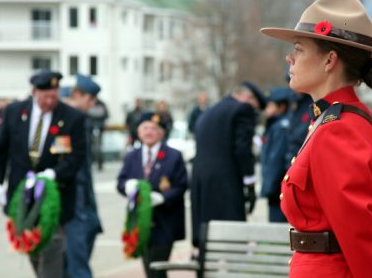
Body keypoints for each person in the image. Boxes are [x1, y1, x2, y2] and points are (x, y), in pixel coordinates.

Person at [261, 0, 372, 277]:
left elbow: (361, 231)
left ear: (329, 61)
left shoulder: (338, 129)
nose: (290, 58)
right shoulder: (338, 118)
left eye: (298, 48)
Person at [0, 70, 86, 278]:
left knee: (51, 249)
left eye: (54, 96)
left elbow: (76, 157)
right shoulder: (15, 112)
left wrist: (53, 174)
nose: (50, 101)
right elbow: (0, 152)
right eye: (45, 97)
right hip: (22, 196)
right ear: (34, 92)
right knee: (32, 249)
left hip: (55, 196)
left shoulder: (72, 118)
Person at [190, 82, 265, 247]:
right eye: (255, 107)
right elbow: (242, 149)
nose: (254, 112)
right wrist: (250, 182)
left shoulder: (208, 112)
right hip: (226, 185)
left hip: (201, 183)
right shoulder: (242, 110)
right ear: (248, 97)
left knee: (207, 240)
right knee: (231, 243)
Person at [116, 112, 188, 278]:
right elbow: (121, 182)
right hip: (141, 224)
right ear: (139, 132)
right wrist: (127, 186)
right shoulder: (132, 156)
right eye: (145, 128)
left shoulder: (172, 156)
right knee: (149, 269)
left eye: (154, 129)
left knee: (157, 270)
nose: (149, 132)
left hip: (165, 223)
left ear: (161, 133)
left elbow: (181, 185)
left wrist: (163, 197)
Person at [64, 74, 103, 278]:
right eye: (90, 99)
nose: (93, 104)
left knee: (91, 230)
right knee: (75, 262)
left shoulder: (82, 120)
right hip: (71, 195)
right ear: (78, 95)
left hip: (84, 193)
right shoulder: (64, 118)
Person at [260, 86, 291, 222]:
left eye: (270, 105)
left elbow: (275, 160)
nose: (266, 109)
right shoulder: (275, 125)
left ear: (281, 107)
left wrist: (269, 188)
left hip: (277, 191)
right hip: (276, 189)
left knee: (277, 225)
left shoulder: (280, 128)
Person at [88, 97, 109, 170]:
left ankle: (99, 163)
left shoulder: (101, 104)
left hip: (99, 128)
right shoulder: (90, 103)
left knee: (98, 147)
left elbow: (106, 115)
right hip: (91, 128)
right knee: (91, 146)